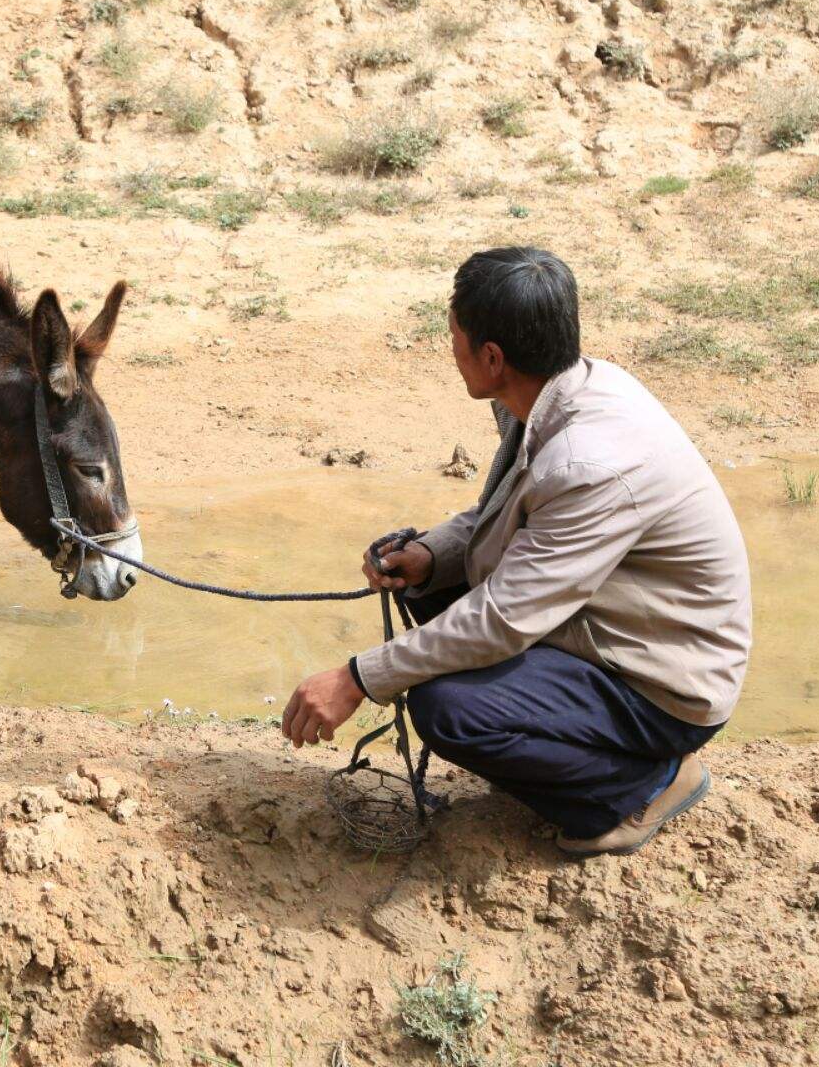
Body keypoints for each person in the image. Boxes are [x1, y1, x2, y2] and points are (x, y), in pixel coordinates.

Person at [281, 247, 752, 857]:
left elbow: (503, 619)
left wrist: (357, 678)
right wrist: (429, 556)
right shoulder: (554, 395)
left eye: (455, 339)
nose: (450, 351)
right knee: (437, 594)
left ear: (493, 357)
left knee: (449, 708)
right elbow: (504, 516)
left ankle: (649, 781)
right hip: (607, 623)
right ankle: (561, 755)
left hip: (664, 684)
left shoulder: (589, 461)